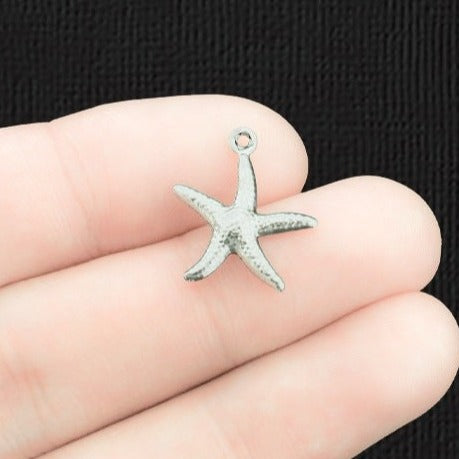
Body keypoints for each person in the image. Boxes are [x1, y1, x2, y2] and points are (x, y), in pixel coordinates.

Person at [0, 95, 457, 458]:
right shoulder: (227, 219)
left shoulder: (235, 219)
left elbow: (240, 214)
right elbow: (219, 215)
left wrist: (244, 173)